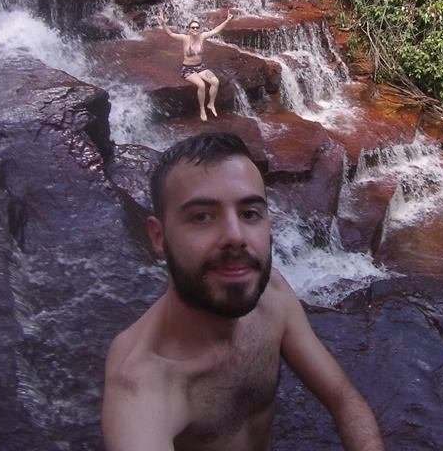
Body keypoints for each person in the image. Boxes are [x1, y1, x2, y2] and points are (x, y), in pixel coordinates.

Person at [102, 132, 386, 451]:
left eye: (249, 213)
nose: (235, 236)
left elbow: (343, 398)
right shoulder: (141, 389)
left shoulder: (273, 294)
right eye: (202, 217)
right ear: (158, 236)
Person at [158, 9, 234, 122]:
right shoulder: (185, 38)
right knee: (202, 85)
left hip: (200, 67)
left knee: (215, 82)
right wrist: (164, 23)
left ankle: (211, 104)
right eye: (193, 28)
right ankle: (202, 109)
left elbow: (216, 30)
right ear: (189, 30)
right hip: (187, 69)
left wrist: (227, 20)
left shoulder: (202, 36)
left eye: (197, 27)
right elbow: (170, 34)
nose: (195, 29)